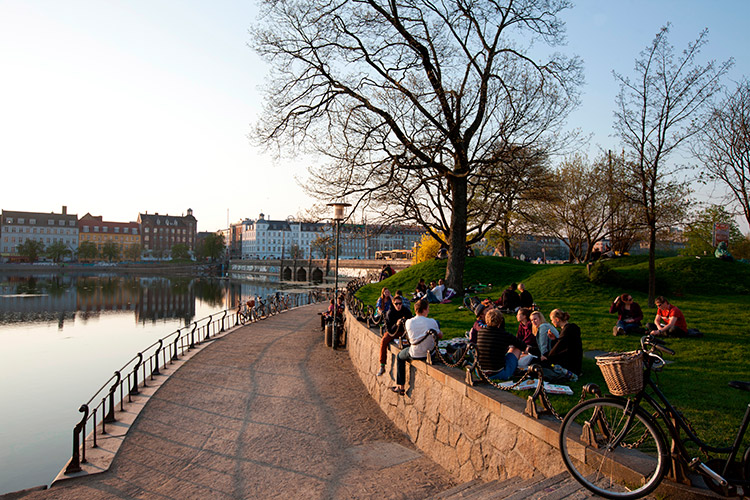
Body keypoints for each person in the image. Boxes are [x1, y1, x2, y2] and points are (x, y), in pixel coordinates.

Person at [391, 299, 442, 395]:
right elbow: (440, 335)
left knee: (400, 357)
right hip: (429, 353)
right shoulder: (432, 322)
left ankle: (401, 386)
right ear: (425, 309)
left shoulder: (408, 322)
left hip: (415, 352)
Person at [475, 308, 528, 381]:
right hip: (498, 373)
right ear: (500, 321)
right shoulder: (504, 334)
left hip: (480, 372)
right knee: (516, 348)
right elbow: (522, 345)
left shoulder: (481, 332)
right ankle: (514, 370)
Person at [376, 295, 413, 376]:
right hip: (393, 332)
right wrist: (396, 324)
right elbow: (389, 330)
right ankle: (382, 365)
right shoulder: (390, 313)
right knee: (384, 341)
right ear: (393, 304)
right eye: (396, 304)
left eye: (400, 304)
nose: (398, 306)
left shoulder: (406, 311)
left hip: (404, 331)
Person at [543, 309, 583, 377]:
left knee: (545, 365)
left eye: (552, 320)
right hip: (575, 360)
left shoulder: (567, 330)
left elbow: (559, 347)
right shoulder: (570, 328)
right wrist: (554, 339)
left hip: (571, 363)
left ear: (557, 319)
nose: (552, 322)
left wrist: (547, 357)